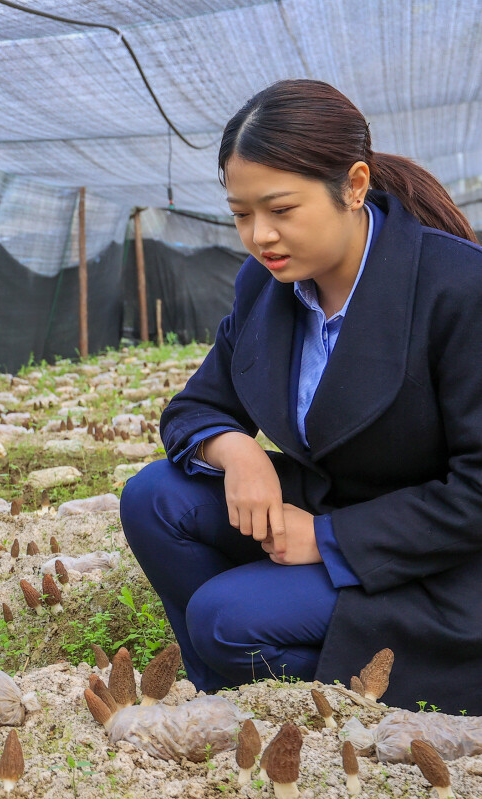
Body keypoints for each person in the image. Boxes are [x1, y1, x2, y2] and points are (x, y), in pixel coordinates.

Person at [120, 79, 482, 714]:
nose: (260, 236)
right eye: (241, 214)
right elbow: (194, 407)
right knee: (154, 498)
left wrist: (331, 539)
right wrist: (240, 454)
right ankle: (232, 690)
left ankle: (352, 689)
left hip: (439, 558)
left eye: (281, 209)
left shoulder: (457, 290)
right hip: (326, 506)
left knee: (223, 616)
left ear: (355, 186)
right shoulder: (268, 288)